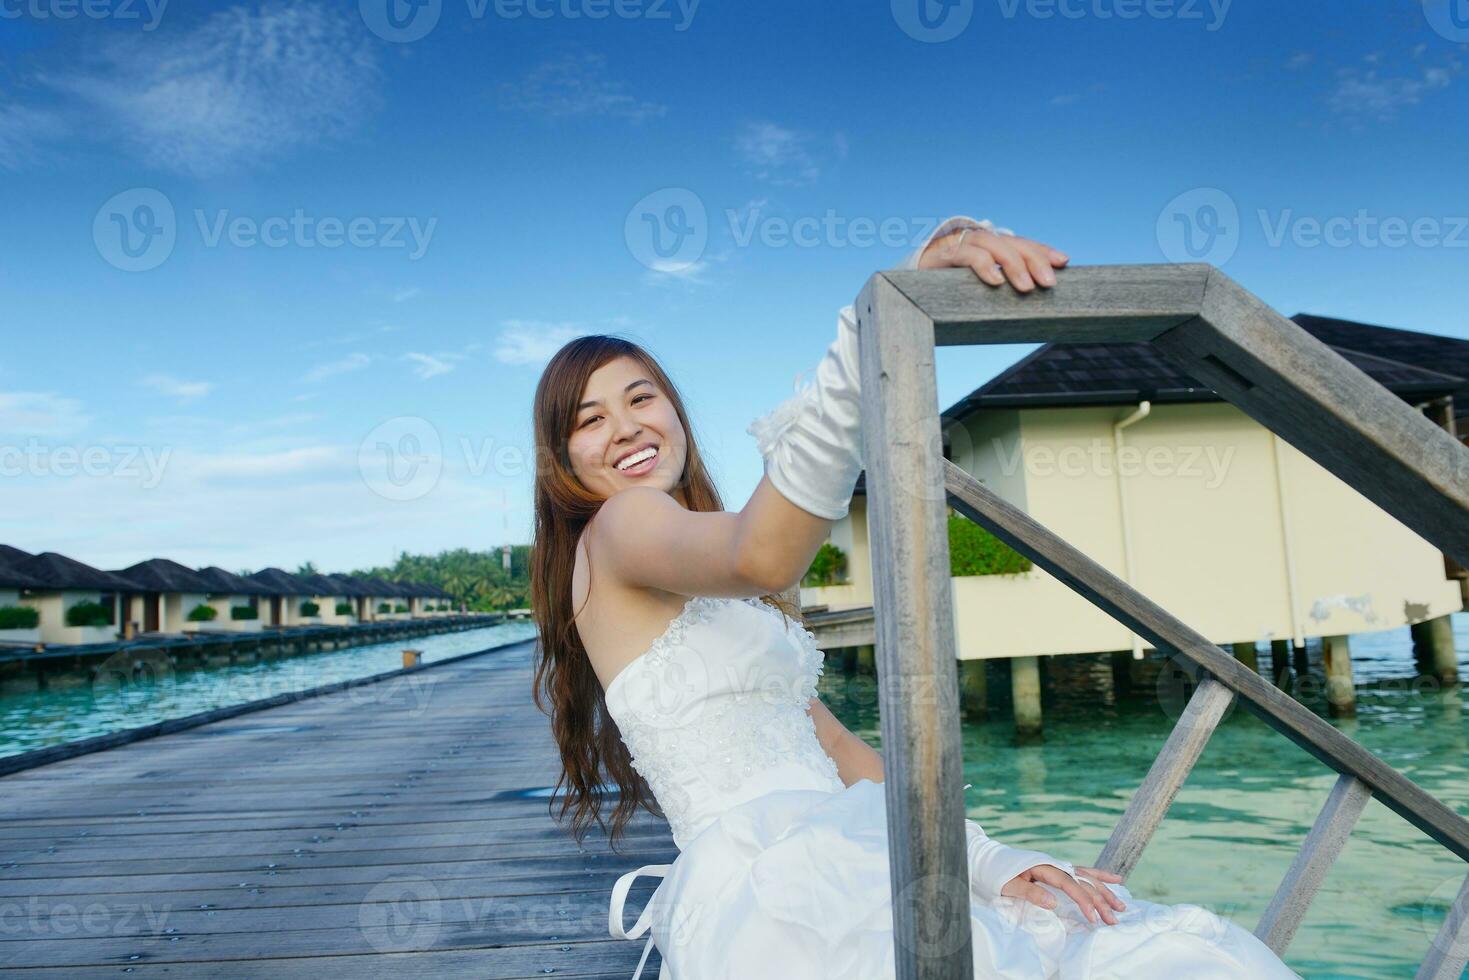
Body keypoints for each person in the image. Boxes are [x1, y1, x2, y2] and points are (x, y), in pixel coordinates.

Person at [529, 216, 1299, 978]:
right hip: (774, 887)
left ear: (675, 411)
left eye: (641, 399)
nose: (627, 428)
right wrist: (872, 330)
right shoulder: (619, 526)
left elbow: (832, 748)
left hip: (848, 842)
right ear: (560, 456)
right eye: (590, 420)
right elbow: (760, 554)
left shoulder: (698, 582)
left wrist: (985, 858)